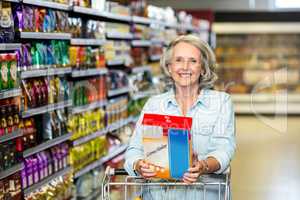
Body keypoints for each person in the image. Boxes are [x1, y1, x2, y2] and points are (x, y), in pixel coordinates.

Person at [124, 34, 236, 199]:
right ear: (169, 67)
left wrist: (203, 166)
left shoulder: (221, 103)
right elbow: (134, 150)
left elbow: (224, 149)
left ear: (203, 68)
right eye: (178, 60)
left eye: (193, 61)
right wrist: (139, 165)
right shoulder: (154, 105)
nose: (185, 67)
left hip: (203, 195)